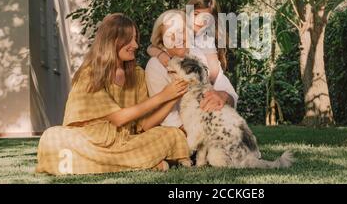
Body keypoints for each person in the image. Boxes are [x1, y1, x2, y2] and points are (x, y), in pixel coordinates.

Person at [36, 13, 190, 175]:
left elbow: (145, 125)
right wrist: (162, 96)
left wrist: (173, 97)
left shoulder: (137, 74)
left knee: (171, 133)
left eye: (135, 39)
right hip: (92, 143)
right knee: (52, 137)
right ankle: (139, 162)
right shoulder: (89, 74)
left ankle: (119, 163)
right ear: (112, 40)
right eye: (129, 39)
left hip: (126, 142)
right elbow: (117, 118)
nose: (135, 45)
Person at [145, 9, 238, 132]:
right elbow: (169, 119)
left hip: (213, 123)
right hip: (186, 134)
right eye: (169, 34)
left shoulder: (198, 54)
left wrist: (223, 95)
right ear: (161, 40)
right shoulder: (155, 66)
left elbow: (230, 94)